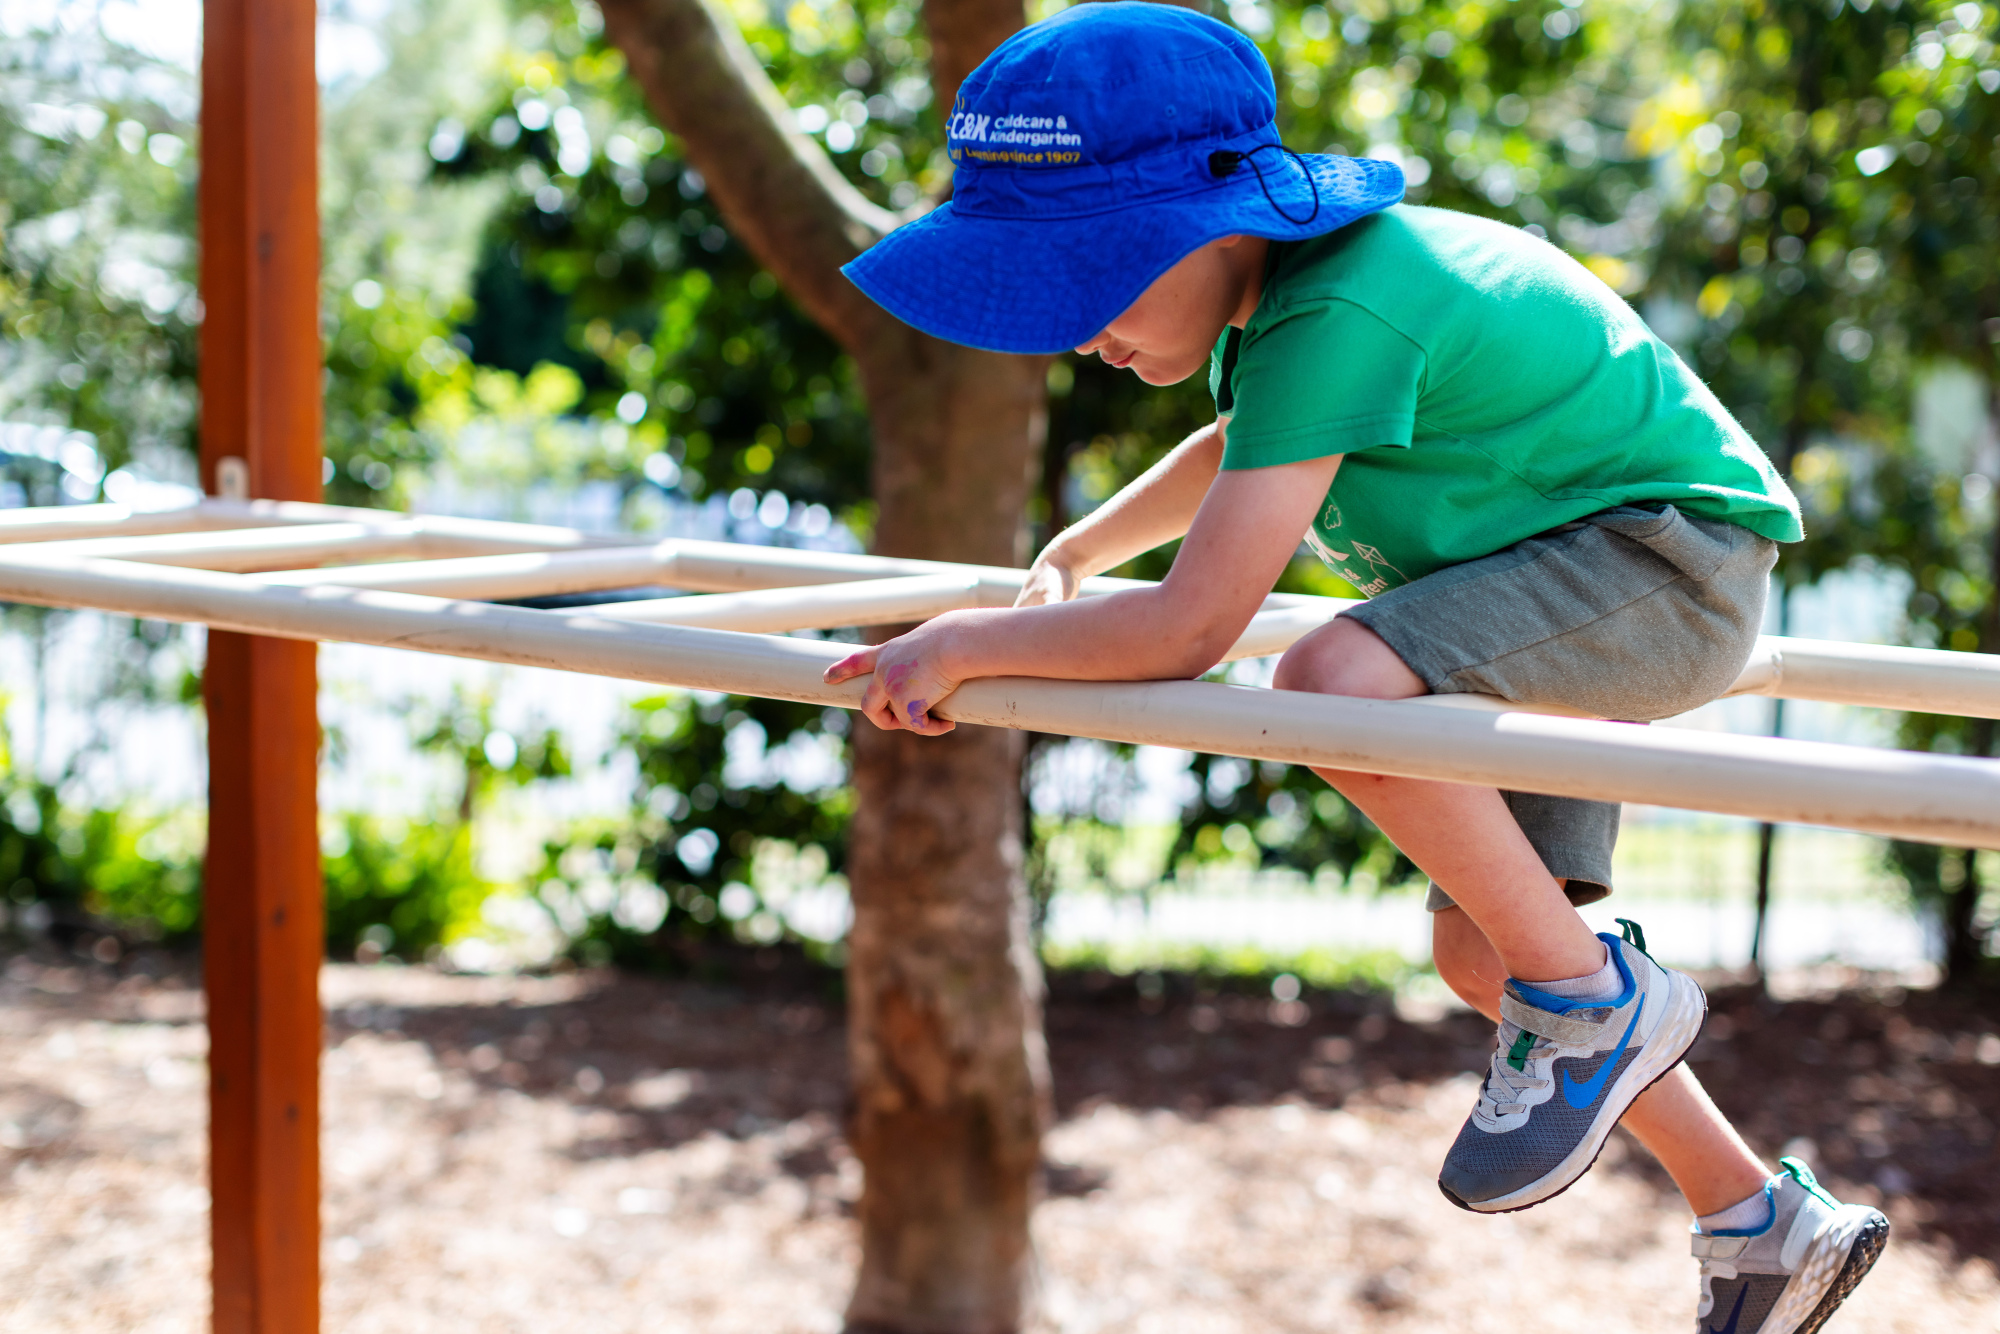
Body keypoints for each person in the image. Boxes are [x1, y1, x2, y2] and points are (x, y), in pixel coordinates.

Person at [826, 3, 1889, 1329]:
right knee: (1482, 943)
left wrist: (965, 647)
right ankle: (1760, 1219)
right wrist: (1083, 546)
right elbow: (1232, 449)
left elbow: (1193, 627)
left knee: (1328, 684)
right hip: (1547, 583)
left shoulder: (1343, 306)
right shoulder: (1289, 314)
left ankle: (1593, 1000)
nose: (1074, 325)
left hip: (1661, 569)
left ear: (1215, 226)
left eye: (1093, 275)